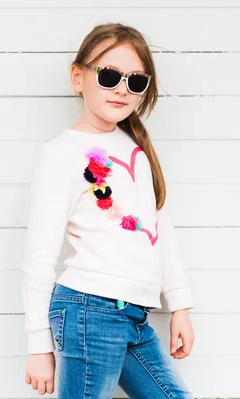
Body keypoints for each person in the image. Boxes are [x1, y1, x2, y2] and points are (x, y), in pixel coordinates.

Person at [21, 22, 195, 398]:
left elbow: (158, 229)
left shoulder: (135, 149)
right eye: (110, 75)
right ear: (78, 77)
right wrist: (38, 346)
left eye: (135, 81)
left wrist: (180, 305)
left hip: (134, 317)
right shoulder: (62, 156)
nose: (121, 88)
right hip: (89, 311)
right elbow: (40, 256)